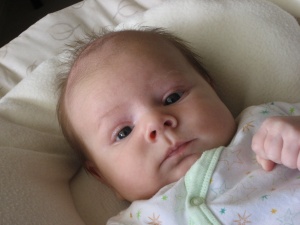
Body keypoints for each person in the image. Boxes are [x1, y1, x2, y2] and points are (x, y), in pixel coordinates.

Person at [57, 28, 300, 224]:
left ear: (211, 88)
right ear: (103, 176)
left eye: (172, 98)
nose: (156, 123)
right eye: (124, 132)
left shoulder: (265, 123)